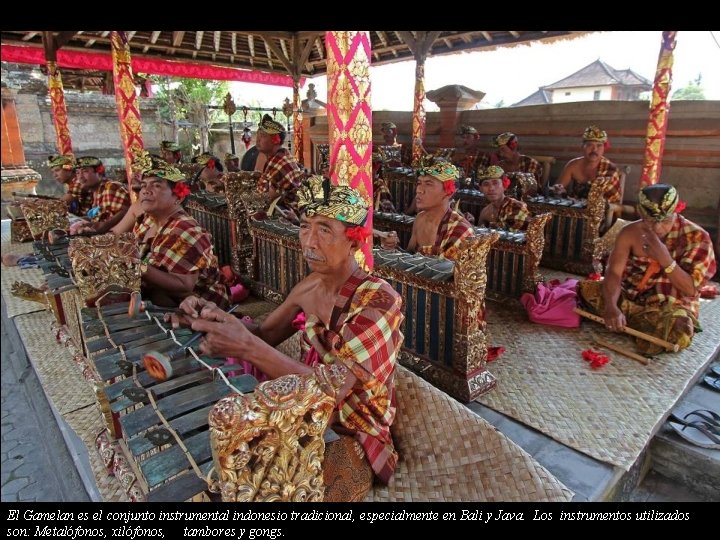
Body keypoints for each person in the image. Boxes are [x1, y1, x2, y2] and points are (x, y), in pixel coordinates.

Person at [173, 176, 404, 500]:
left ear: (354, 239)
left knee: (289, 492)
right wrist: (216, 317)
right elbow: (266, 335)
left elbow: (331, 388)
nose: (309, 242)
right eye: (305, 226)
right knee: (223, 468)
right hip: (300, 410)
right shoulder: (309, 286)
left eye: (324, 229)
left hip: (351, 429)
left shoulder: (379, 300)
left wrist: (246, 345)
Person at [577, 184, 716, 355]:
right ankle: (631, 320)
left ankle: (634, 323)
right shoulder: (629, 232)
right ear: (640, 212)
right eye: (650, 221)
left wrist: (664, 258)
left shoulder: (698, 237)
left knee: (678, 331)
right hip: (630, 298)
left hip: (668, 305)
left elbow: (689, 289)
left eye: (665, 221)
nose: (657, 228)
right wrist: (612, 306)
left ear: (676, 211)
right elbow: (613, 273)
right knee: (586, 291)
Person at [133, 151, 229, 308]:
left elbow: (183, 286)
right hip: (157, 299)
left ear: (178, 196)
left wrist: (136, 266)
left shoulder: (186, 230)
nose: (145, 190)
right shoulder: (147, 221)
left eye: (156, 185)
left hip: (199, 308)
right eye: (143, 186)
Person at [381, 161, 474, 260]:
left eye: (428, 184)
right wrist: (393, 248)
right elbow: (411, 256)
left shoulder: (461, 229)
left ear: (448, 193)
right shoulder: (420, 218)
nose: (419, 190)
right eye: (419, 183)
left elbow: (448, 272)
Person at [553, 126, 622, 203]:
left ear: (604, 148)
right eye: (589, 145)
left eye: (599, 145)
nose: (594, 149)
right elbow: (556, 189)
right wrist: (558, 190)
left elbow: (613, 202)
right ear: (583, 147)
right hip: (574, 208)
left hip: (600, 211)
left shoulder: (610, 169)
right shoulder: (573, 165)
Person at [255, 114, 305, 218]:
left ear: (275, 140)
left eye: (263, 136)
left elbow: (267, 197)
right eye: (258, 135)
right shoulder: (277, 157)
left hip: (294, 213)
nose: (258, 139)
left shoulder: (280, 161)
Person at [69, 156, 130, 234]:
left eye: (85, 171)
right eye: (77, 173)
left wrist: (104, 226)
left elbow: (125, 211)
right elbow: (100, 217)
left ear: (99, 171)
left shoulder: (111, 187)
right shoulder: (93, 191)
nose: (80, 177)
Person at [477, 165, 531, 232]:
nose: (491, 188)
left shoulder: (517, 206)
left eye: (495, 183)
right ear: (481, 189)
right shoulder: (485, 211)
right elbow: (479, 236)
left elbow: (520, 237)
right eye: (486, 184)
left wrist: (493, 225)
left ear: (504, 185)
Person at [476, 132, 542, 186]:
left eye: (503, 150)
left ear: (514, 147)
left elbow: (532, 190)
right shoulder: (500, 165)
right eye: (499, 151)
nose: (501, 154)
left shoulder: (530, 163)